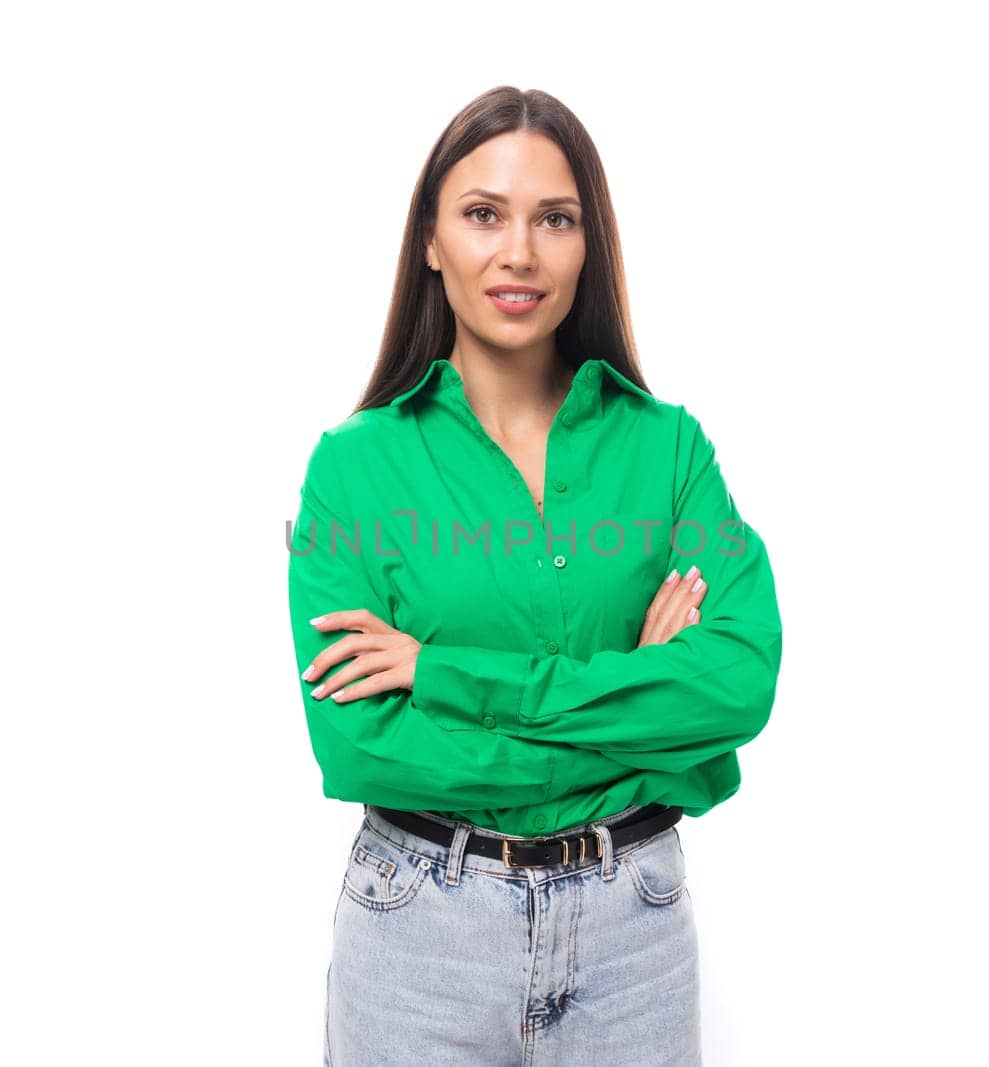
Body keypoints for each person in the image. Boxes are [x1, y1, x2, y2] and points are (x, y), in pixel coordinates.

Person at [285, 85, 783, 1065]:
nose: (519, 252)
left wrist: (442, 673)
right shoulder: (350, 468)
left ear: (587, 242)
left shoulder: (669, 451)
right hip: (420, 932)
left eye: (555, 219)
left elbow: (736, 680)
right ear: (430, 240)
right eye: (482, 214)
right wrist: (644, 720)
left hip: (631, 932)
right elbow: (360, 744)